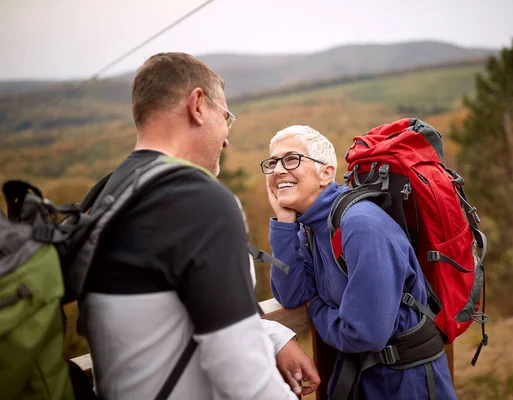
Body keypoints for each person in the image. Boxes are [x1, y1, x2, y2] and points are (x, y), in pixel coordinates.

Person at [79, 53, 319, 399]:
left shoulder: (108, 193)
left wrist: (275, 336)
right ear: (197, 106)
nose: (226, 138)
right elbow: (243, 373)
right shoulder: (201, 201)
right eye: (226, 117)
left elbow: (165, 314)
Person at [263, 125, 457, 399]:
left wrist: (317, 305)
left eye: (291, 159)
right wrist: (284, 224)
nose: (278, 170)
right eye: (271, 163)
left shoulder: (360, 225)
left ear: (326, 172)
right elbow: (290, 295)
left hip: (407, 383)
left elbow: (364, 334)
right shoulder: (311, 226)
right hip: (368, 377)